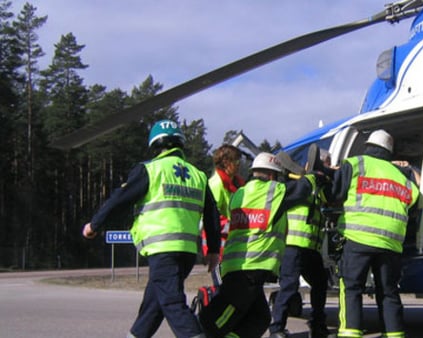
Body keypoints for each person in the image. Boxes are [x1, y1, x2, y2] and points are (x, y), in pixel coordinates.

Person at [82, 119, 221, 338]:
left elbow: (120, 200)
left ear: (155, 145)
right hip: (186, 252)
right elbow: (212, 215)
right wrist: (213, 250)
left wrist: (95, 224)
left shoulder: (150, 169)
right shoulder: (198, 175)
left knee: (172, 303)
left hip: (162, 249)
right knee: (153, 305)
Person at [199, 152, 324, 338]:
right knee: (218, 318)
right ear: (273, 175)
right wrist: (315, 176)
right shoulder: (273, 192)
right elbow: (301, 190)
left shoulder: (239, 193)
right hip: (251, 267)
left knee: (260, 318)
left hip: (238, 265)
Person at [325, 129, 420, 338]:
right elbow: (414, 202)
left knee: (351, 288)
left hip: (358, 238)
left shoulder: (355, 164)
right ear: (389, 152)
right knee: (389, 292)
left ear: (367, 146)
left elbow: (335, 195)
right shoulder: (401, 176)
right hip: (391, 244)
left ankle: (350, 334)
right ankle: (394, 334)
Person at [268, 154, 332, 338]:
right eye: (324, 165)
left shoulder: (318, 187)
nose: (325, 169)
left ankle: (318, 324)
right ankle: (277, 329)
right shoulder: (298, 184)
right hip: (293, 244)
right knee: (289, 285)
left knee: (320, 283)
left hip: (311, 247)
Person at [202, 144, 245, 259]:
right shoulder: (216, 184)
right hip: (220, 246)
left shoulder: (237, 184)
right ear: (226, 162)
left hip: (232, 242)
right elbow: (213, 216)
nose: (239, 164)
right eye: (236, 161)